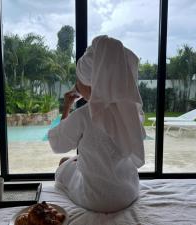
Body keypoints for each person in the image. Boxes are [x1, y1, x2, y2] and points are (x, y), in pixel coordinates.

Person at [48, 35, 146, 213]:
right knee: (77, 161)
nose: (77, 84)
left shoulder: (84, 115)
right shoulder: (131, 112)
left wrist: (67, 107)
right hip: (128, 192)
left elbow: (58, 144)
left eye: (79, 79)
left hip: (94, 199)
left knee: (63, 161)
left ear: (89, 82)